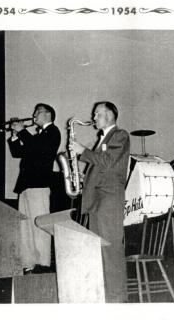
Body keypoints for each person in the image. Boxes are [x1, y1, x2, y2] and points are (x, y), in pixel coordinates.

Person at [69, 101, 130, 303]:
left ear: (111, 115)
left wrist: (82, 151)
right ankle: (104, 296)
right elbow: (100, 166)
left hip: (109, 198)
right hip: (96, 199)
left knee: (110, 249)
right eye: (94, 114)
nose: (93, 117)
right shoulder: (103, 139)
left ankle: (117, 299)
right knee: (99, 250)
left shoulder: (120, 135)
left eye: (97, 114)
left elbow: (106, 161)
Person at [7, 103, 61, 274]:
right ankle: (28, 263)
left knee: (39, 227)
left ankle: (43, 264)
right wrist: (15, 136)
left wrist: (22, 131)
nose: (34, 115)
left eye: (38, 112)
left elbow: (38, 149)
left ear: (48, 115)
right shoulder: (37, 135)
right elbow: (18, 153)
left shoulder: (53, 131)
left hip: (39, 186)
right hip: (26, 186)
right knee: (26, 228)